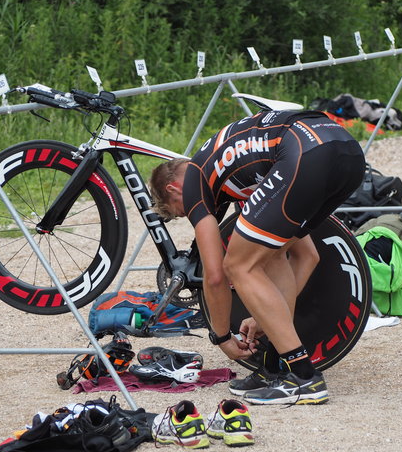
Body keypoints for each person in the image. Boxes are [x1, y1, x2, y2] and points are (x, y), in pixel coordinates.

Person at [150, 108, 365, 405]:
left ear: (173, 188)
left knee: (237, 264)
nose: (194, 214)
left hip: (304, 151)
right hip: (345, 150)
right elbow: (306, 256)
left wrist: (222, 338)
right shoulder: (241, 178)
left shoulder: (195, 179)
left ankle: (304, 377)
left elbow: (215, 276)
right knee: (271, 254)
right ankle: (277, 364)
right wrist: (268, 315)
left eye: (183, 210)